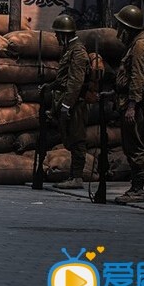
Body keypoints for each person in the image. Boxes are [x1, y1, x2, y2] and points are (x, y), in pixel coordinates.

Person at [111, 4, 144, 204]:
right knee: (130, 145)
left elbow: (137, 76)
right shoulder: (136, 43)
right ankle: (135, 186)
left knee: (135, 145)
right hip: (129, 101)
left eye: (121, 26)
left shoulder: (140, 45)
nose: (119, 31)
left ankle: (139, 188)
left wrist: (132, 105)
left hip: (135, 104)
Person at [49, 14, 90, 189]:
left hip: (75, 104)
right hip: (68, 102)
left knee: (77, 139)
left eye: (58, 34)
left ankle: (77, 177)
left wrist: (66, 105)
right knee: (71, 139)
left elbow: (75, 81)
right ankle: (73, 176)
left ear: (65, 35)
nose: (56, 38)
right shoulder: (69, 50)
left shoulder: (78, 52)